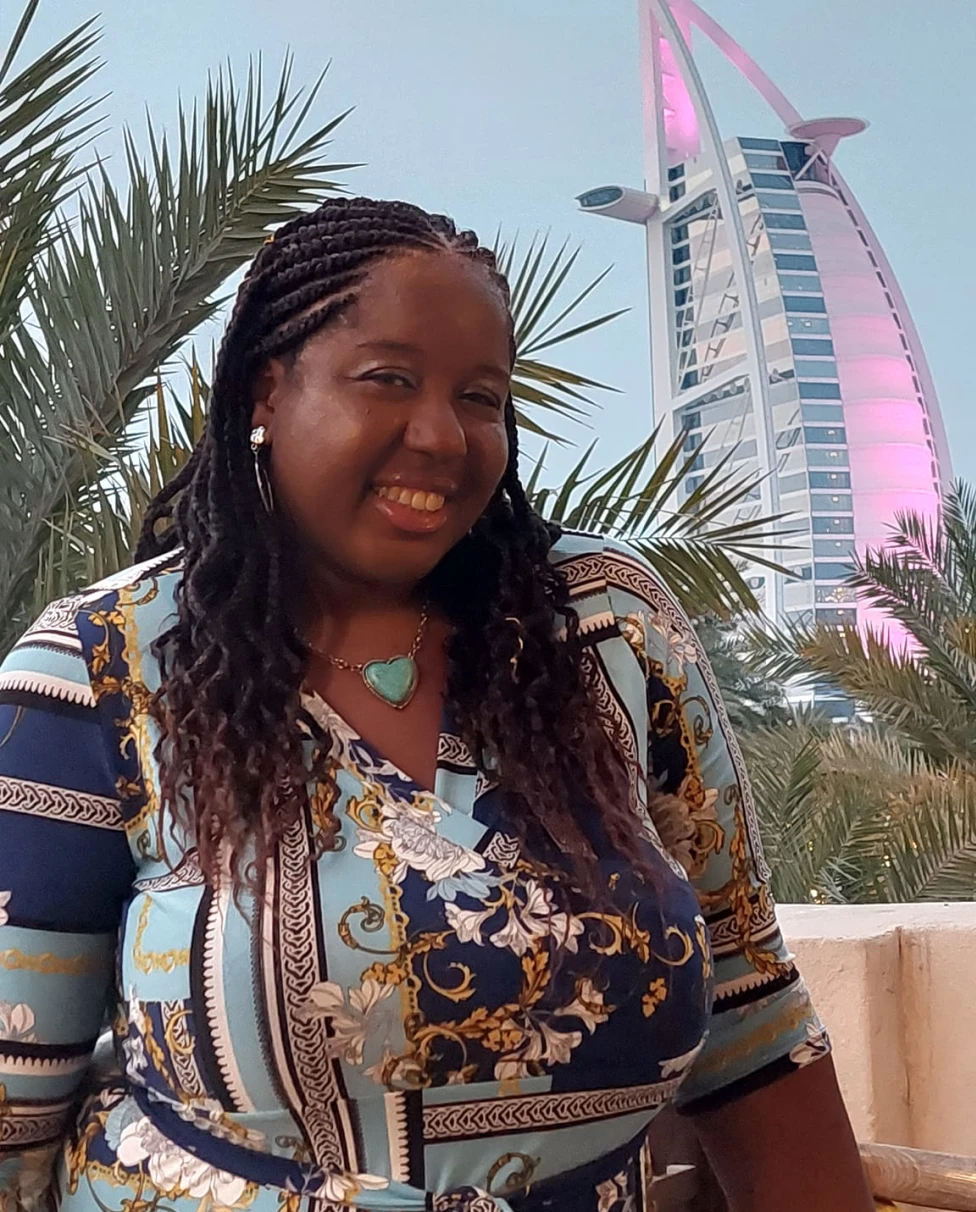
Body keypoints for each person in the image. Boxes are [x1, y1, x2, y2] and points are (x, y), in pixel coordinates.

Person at [0, 196, 873, 1212]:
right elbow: (14, 1110)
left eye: (481, 397)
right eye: (389, 380)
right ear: (265, 391)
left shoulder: (606, 630)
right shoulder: (99, 669)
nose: (440, 435)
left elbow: (750, 1016)